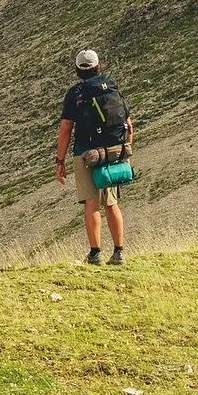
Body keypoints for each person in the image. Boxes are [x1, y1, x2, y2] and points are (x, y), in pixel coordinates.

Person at [55, 46, 132, 265]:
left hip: (86, 153)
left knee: (91, 203)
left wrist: (60, 161)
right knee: (111, 203)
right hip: (112, 152)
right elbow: (128, 123)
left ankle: (95, 253)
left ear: (78, 70)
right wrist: (125, 151)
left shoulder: (76, 94)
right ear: (98, 66)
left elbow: (66, 129)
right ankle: (119, 252)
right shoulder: (111, 87)